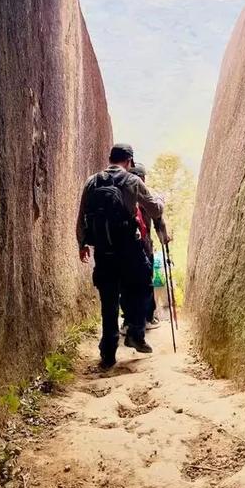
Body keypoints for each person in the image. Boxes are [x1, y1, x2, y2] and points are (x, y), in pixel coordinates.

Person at [77, 143, 163, 369]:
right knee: (143, 285)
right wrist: (161, 202)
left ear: (110, 158)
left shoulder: (92, 181)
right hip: (128, 250)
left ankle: (108, 353)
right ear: (129, 161)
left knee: (109, 300)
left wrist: (82, 243)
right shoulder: (133, 181)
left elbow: (82, 214)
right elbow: (154, 209)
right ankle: (135, 332)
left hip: (104, 251)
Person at [131, 162, 170, 329]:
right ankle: (148, 318)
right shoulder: (147, 195)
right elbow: (158, 219)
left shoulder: (121, 193)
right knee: (146, 281)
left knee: (127, 283)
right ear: (143, 178)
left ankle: (129, 320)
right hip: (144, 245)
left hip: (122, 246)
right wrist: (164, 239)